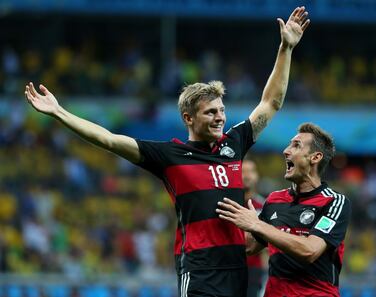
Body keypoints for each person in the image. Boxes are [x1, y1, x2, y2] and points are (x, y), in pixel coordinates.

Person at [24, 7, 310, 297]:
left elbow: (270, 103)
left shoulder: (234, 143)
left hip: (237, 268)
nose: (219, 118)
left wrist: (286, 48)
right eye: (210, 112)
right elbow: (109, 139)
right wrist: (60, 112)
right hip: (199, 270)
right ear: (189, 118)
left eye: (221, 111)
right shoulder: (169, 156)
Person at [217, 123, 351, 297]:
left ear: (315, 157)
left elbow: (309, 250)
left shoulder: (334, 202)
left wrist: (257, 224)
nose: (286, 151)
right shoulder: (274, 200)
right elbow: (250, 246)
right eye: (289, 144)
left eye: (296, 146)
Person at [242, 159, 267, 297]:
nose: (247, 175)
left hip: (254, 270)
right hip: (229, 267)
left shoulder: (265, 206)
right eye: (243, 172)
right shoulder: (228, 204)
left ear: (256, 176)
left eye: (250, 171)